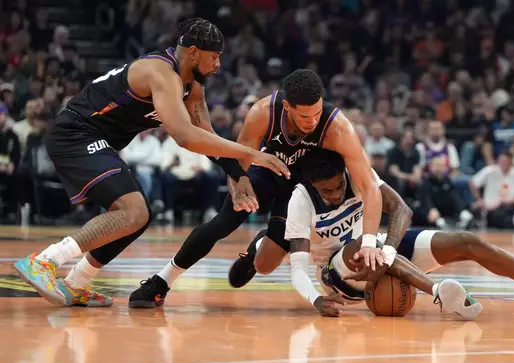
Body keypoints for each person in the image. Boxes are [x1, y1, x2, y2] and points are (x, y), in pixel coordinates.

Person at [13, 18, 289, 307]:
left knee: (137, 218)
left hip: (96, 140)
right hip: (75, 133)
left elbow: (205, 133)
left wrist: (237, 172)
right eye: (215, 56)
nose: (218, 65)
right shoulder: (160, 72)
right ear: (193, 52)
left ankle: (76, 282)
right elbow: (185, 136)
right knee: (133, 210)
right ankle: (43, 261)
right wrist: (252, 154)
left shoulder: (192, 86)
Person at [129, 69, 385, 308]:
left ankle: (255, 252)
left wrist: (371, 241)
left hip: (301, 189)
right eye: (305, 116)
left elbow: (370, 186)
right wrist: (239, 185)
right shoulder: (264, 112)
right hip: (267, 171)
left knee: (265, 266)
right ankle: (162, 282)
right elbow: (237, 161)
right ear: (287, 107)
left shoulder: (338, 128)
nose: (312, 121)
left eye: (317, 113)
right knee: (224, 222)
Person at [283, 149, 514, 318]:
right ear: (313, 186)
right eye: (326, 192)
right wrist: (316, 299)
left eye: (339, 186)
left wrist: (387, 252)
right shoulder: (300, 200)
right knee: (363, 245)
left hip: (383, 251)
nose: (335, 195)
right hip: (338, 273)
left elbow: (401, 209)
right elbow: (297, 267)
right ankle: (440, 291)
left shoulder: (359, 175)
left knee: (467, 242)